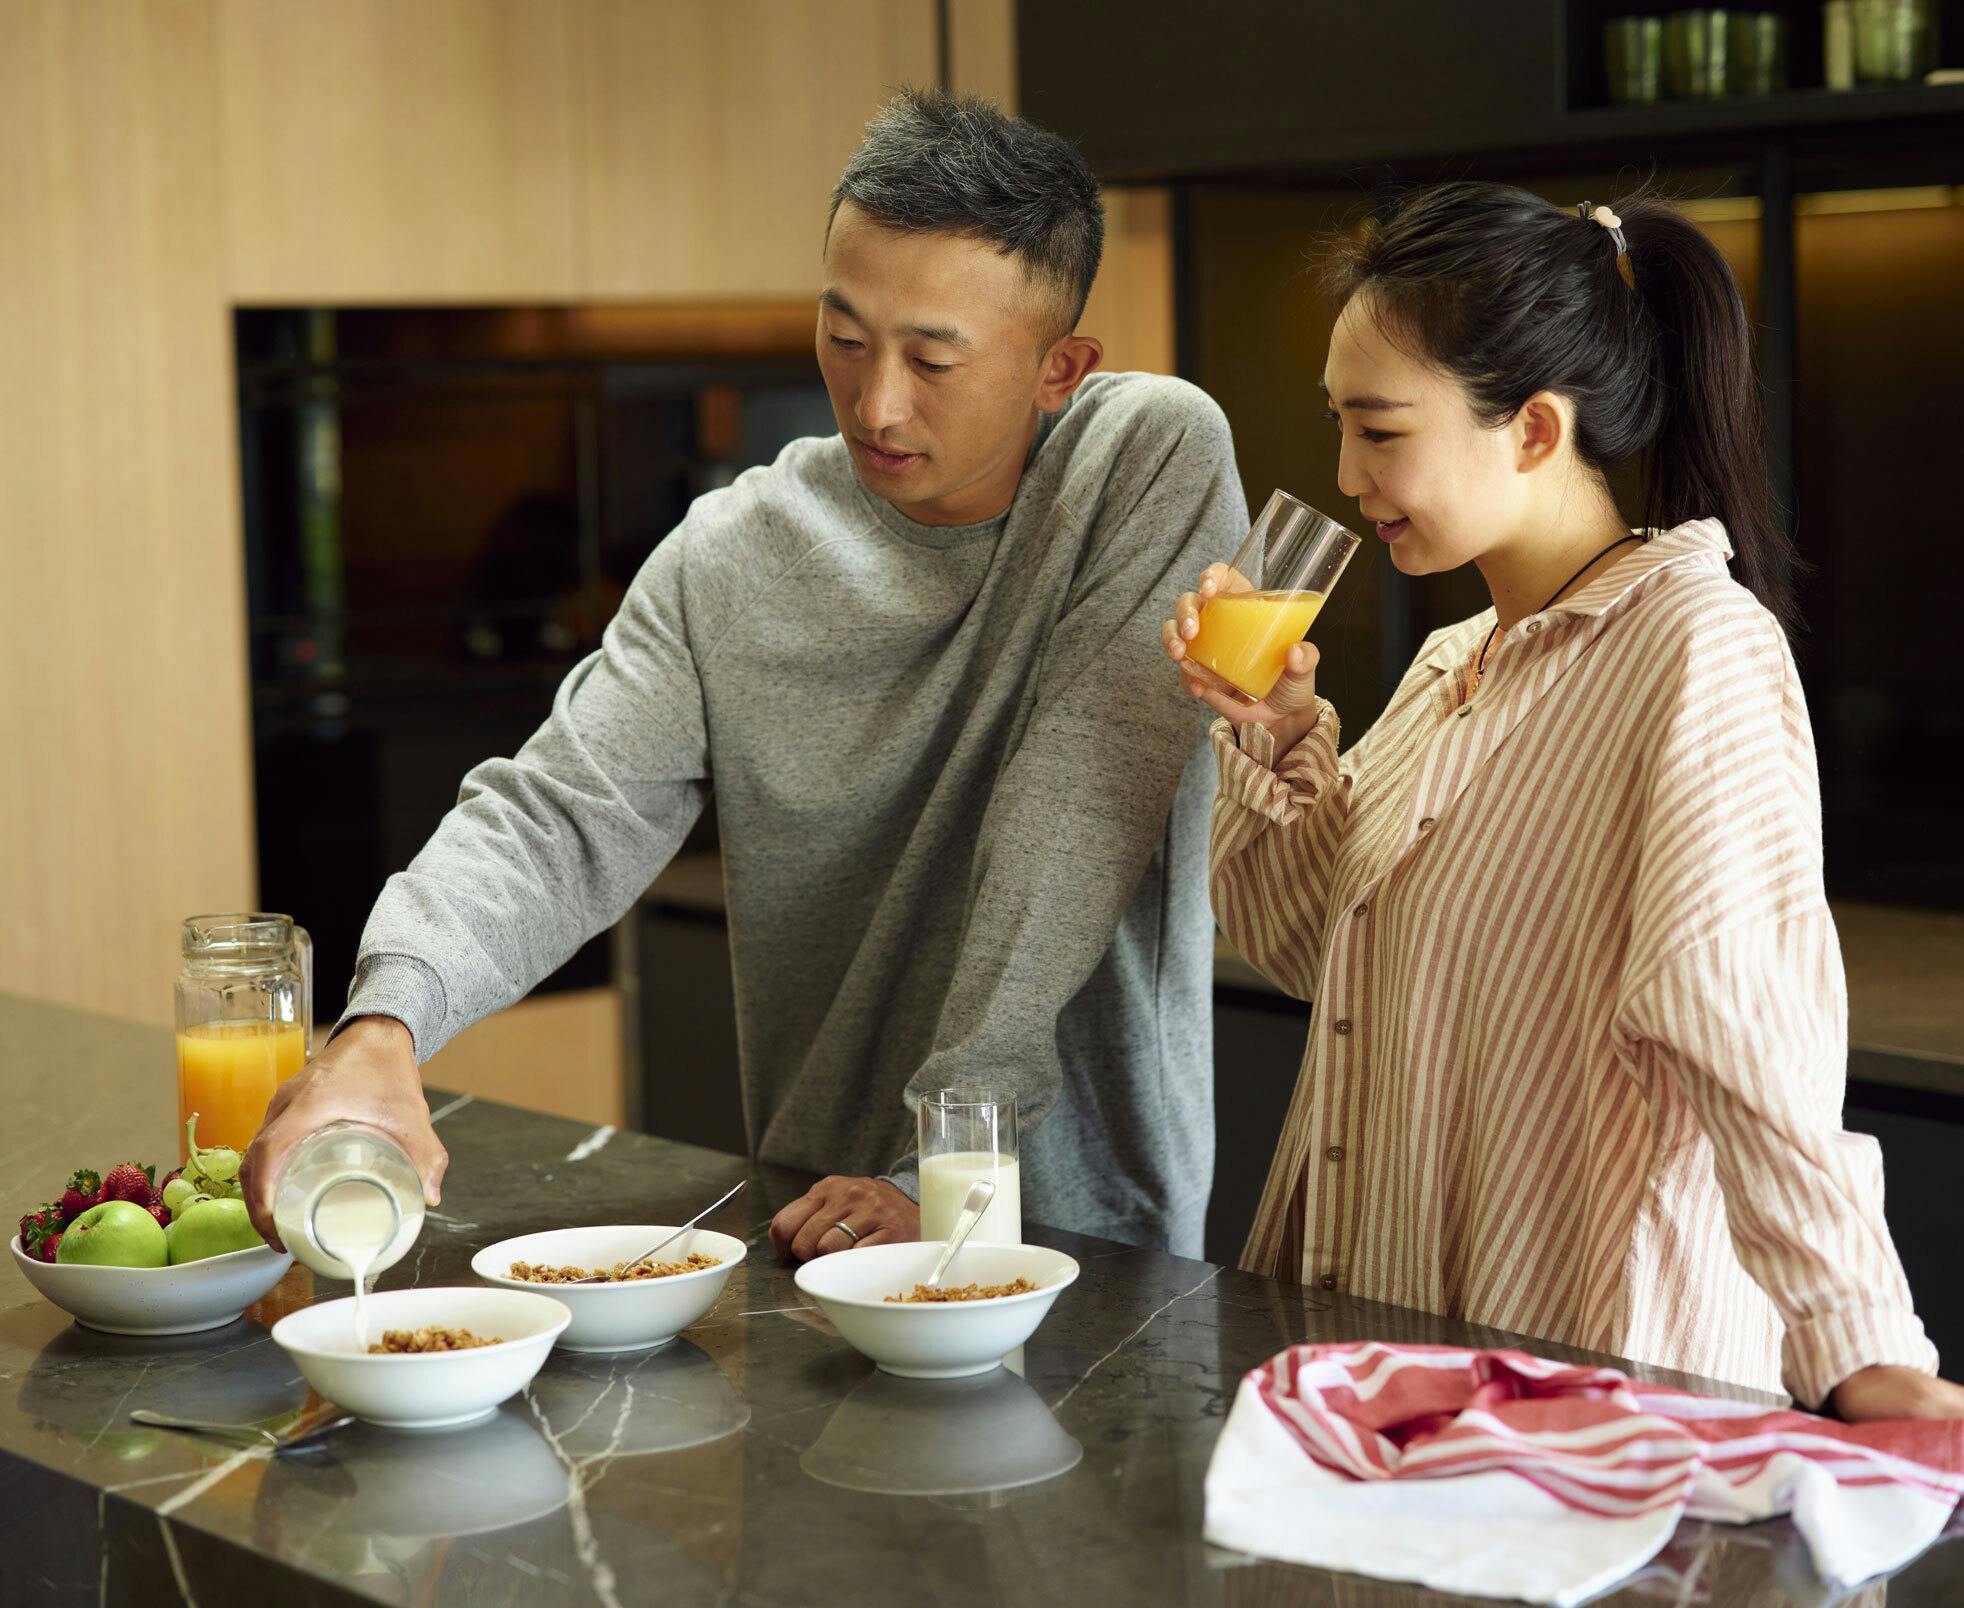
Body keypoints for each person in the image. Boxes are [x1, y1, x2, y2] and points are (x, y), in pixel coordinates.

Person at [241, 90, 1245, 1260]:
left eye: (933, 359)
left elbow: (1068, 821)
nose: (875, 403)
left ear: (1058, 368)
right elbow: (559, 813)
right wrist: (381, 1022)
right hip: (820, 1221)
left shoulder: (1147, 459)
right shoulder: (731, 555)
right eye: (845, 337)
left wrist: (946, 1163)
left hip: (1082, 1228)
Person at [1165, 182, 1961, 1418]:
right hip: (1376, 1350)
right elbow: (1316, 951)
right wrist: (1273, 737)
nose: (1342, 472)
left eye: (1379, 432)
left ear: (1533, 428)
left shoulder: (1693, 645)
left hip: (1573, 1377)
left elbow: (1744, 1031)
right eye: (1338, 426)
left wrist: (1869, 1356)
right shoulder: (1452, 663)